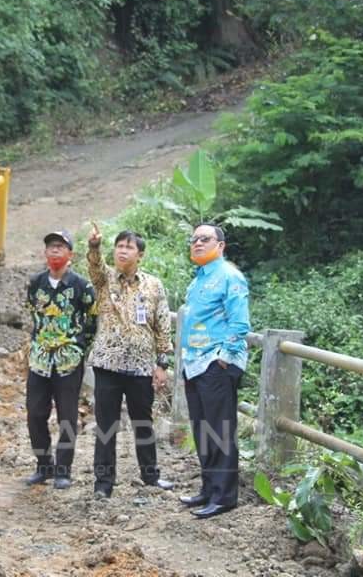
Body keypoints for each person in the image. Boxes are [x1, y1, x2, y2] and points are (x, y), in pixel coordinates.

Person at [87, 222, 174, 498]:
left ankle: (151, 477)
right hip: (107, 365)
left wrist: (162, 364)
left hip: (140, 367)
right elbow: (95, 267)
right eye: (119, 246)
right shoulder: (105, 280)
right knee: (106, 425)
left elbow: (162, 326)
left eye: (129, 247)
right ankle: (103, 483)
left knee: (143, 423)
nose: (123, 251)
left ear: (140, 255)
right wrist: (94, 246)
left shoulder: (154, 286)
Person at [178, 224, 250, 519]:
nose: (197, 243)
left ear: (220, 245)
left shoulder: (230, 276)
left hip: (215, 364)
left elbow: (240, 322)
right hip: (193, 364)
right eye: (194, 239)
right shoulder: (197, 281)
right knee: (203, 430)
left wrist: (224, 357)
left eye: (204, 239)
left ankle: (224, 497)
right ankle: (208, 489)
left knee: (220, 431)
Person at [24, 230, 97, 489]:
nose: (54, 251)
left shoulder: (81, 285)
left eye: (60, 246)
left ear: (70, 254)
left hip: (68, 361)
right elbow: (32, 314)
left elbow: (92, 318)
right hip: (40, 359)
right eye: (50, 247)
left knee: (67, 416)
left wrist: (79, 348)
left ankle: (63, 470)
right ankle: (43, 466)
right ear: (45, 253)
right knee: (35, 413)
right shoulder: (35, 283)